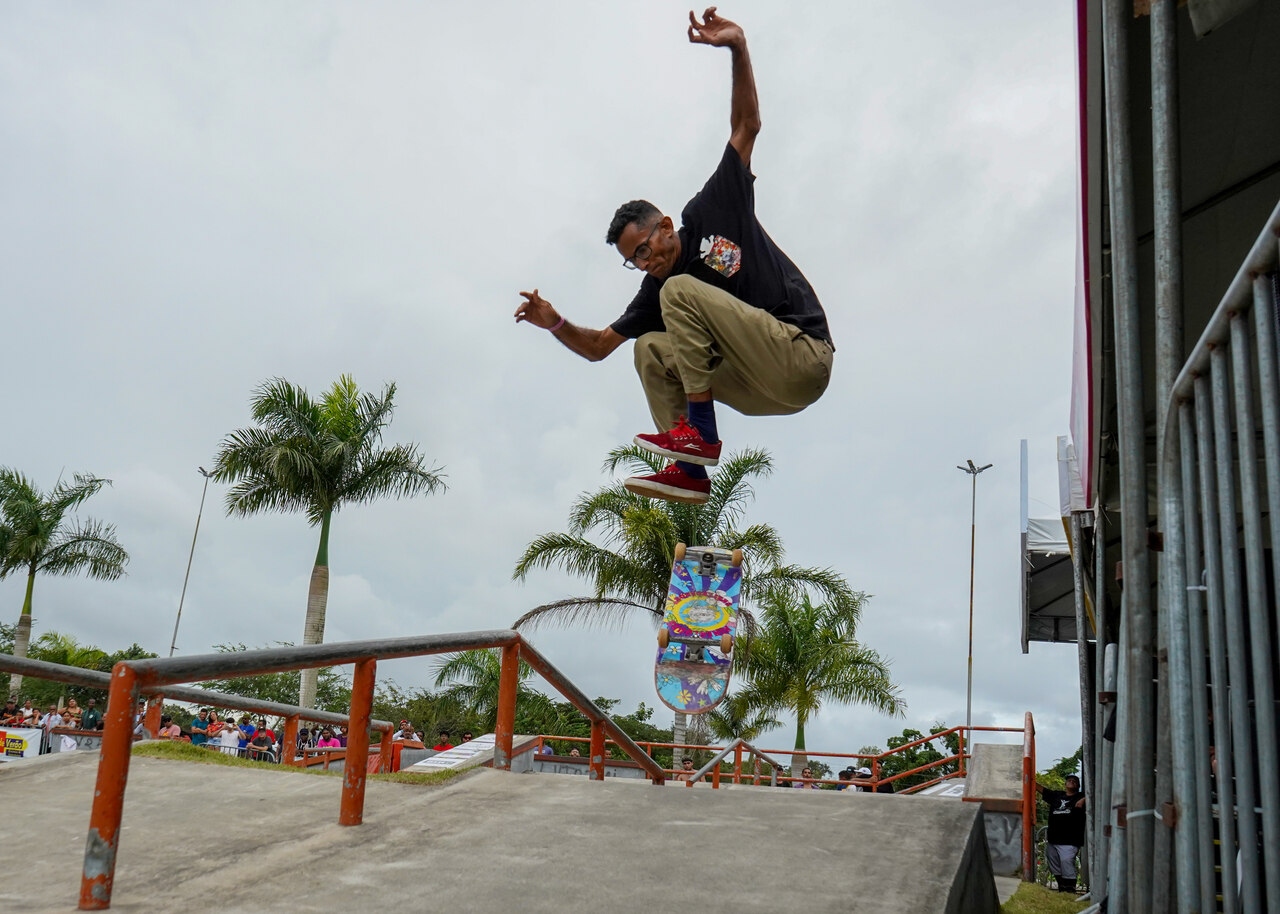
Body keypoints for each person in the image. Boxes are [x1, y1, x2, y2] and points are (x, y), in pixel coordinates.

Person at [515, 8, 833, 506]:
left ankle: (699, 435)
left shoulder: (711, 209)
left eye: (644, 250)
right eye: (633, 261)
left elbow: (747, 125)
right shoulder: (653, 286)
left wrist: (737, 47)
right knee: (649, 351)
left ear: (665, 226)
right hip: (761, 389)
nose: (645, 264)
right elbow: (600, 346)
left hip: (800, 356)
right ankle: (690, 470)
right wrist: (555, 324)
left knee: (680, 291)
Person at [1037, 775, 1087, 893]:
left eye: (1075, 781)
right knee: (1053, 864)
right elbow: (1040, 789)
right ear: (1065, 784)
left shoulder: (1081, 796)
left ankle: (1070, 890)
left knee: (1066, 862)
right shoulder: (1057, 795)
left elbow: (1096, 794)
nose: (1071, 781)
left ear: (1078, 786)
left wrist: (1084, 800)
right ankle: (1062, 889)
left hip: (1070, 839)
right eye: (1069, 780)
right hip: (1053, 839)